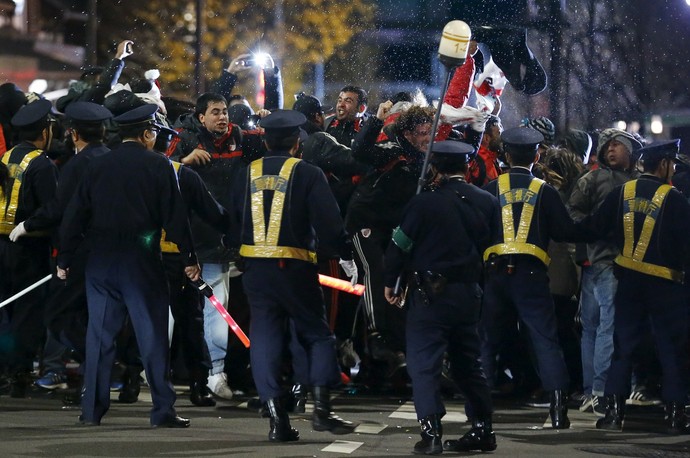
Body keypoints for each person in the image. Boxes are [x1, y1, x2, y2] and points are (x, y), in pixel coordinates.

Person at [58, 104, 200, 427]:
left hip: (101, 258)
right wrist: (190, 257)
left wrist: (65, 258)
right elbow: (175, 218)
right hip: (142, 257)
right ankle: (162, 410)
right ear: (148, 134)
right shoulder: (159, 165)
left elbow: (75, 215)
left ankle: (91, 409)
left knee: (99, 337)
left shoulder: (97, 165)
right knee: (151, 335)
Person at [225, 110, 357, 442]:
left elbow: (233, 221)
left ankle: (276, 420)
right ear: (297, 144)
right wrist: (345, 253)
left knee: (265, 339)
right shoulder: (309, 173)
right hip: (295, 268)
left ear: (266, 141)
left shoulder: (246, 173)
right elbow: (330, 223)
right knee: (317, 335)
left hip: (255, 270)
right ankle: (322, 410)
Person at [383, 140, 499, 454]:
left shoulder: (424, 203)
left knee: (424, 363)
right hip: (468, 293)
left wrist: (391, 280)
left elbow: (400, 245)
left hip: (429, 294)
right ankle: (482, 428)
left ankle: (431, 433)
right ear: (466, 166)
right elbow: (491, 244)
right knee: (467, 363)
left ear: (435, 167)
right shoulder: (487, 201)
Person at [481, 127, 587, 429]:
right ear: (536, 155)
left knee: (488, 340)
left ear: (505, 155)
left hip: (496, 273)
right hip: (532, 275)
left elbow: (479, 230)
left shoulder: (491, 189)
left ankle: (480, 408)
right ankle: (557, 410)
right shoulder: (545, 191)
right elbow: (566, 231)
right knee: (545, 339)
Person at [584, 140, 690, 434]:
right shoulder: (676, 199)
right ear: (665, 165)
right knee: (672, 350)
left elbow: (594, 227)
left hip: (628, 283)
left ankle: (614, 415)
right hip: (666, 286)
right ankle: (675, 416)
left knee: (623, 348)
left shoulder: (622, 192)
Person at [167, 92, 261, 400]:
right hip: (181, 244)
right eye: (216, 112)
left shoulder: (240, 139)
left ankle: (215, 373)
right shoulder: (183, 140)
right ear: (201, 117)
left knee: (216, 311)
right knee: (168, 312)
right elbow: (156, 175)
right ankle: (151, 369)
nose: (223, 117)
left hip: (217, 244)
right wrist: (182, 162)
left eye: (225, 112)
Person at [567, 128, 643, 415]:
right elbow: (573, 214)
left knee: (596, 328)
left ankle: (594, 389)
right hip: (604, 261)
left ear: (631, 151)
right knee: (602, 327)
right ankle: (598, 390)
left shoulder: (631, 180)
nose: (611, 150)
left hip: (607, 262)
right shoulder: (592, 179)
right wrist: (597, 230)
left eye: (617, 145)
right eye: (607, 146)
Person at [0, 99, 58, 397]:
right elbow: (52, 209)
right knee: (27, 313)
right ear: (44, 131)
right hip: (29, 248)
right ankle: (19, 374)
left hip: (1, 245)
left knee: (5, 311)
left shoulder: (6, 157)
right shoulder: (41, 164)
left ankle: (4, 370)